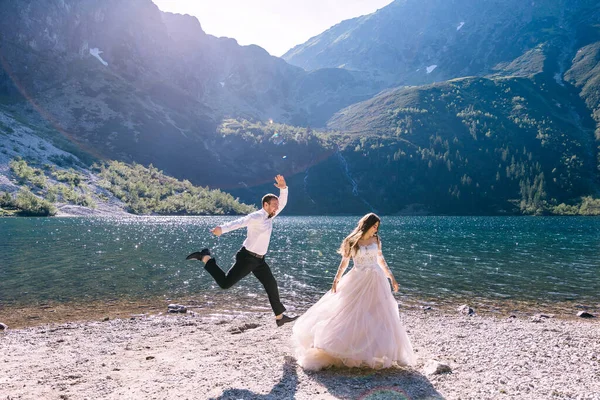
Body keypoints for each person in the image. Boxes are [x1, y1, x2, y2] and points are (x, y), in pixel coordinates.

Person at [291, 213, 415, 370]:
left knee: (380, 313)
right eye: (374, 225)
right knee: (352, 313)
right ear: (367, 225)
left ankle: (380, 350)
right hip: (358, 279)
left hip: (377, 280)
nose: (376, 229)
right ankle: (349, 349)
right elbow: (344, 263)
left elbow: (381, 260)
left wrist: (391, 277)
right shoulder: (351, 241)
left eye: (378, 226)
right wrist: (336, 280)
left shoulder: (376, 240)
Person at [186, 174, 298, 327]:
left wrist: (284, 188)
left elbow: (283, 203)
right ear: (265, 205)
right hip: (247, 258)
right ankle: (206, 258)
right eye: (273, 205)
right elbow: (240, 222)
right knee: (225, 283)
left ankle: (279, 317)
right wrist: (222, 229)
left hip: (259, 260)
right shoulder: (257, 216)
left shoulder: (270, 216)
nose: (276, 208)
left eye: (276, 205)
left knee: (271, 284)